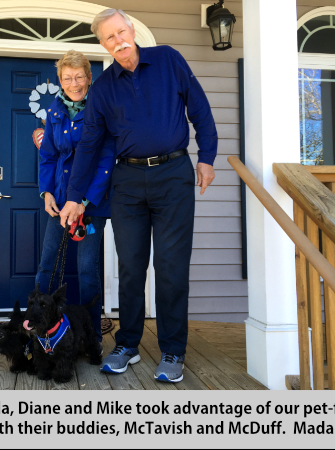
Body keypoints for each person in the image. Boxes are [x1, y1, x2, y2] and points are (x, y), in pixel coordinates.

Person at [59, 9, 218, 383]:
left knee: (171, 268)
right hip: (127, 180)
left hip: (173, 175)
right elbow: (89, 145)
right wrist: (73, 196)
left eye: (121, 31)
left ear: (131, 29)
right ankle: (128, 344)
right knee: (130, 267)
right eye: (109, 37)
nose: (118, 40)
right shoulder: (102, 88)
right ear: (103, 44)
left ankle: (173, 351)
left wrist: (206, 158)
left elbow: (200, 110)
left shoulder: (168, 59)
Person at [36, 50, 115, 344]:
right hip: (59, 200)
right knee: (47, 264)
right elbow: (48, 156)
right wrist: (46, 193)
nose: (74, 83)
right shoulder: (54, 110)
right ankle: (39, 329)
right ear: (59, 80)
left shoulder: (102, 107)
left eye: (80, 76)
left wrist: (82, 202)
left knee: (86, 269)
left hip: (92, 203)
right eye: (68, 78)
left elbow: (106, 158)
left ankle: (91, 336)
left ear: (89, 77)